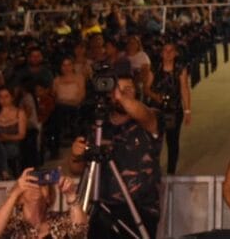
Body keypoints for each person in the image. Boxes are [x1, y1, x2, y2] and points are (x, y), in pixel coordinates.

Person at [69, 66, 163, 239]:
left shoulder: (148, 120)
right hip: (103, 207)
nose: (122, 94)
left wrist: (120, 95)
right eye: (117, 89)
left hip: (140, 209)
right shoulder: (98, 127)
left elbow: (144, 113)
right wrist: (76, 155)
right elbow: (77, 169)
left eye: (128, 89)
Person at [0, 167, 87, 238]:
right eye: (30, 183)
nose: (36, 186)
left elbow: (80, 232)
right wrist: (14, 195)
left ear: (49, 197)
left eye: (41, 183)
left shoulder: (59, 221)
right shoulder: (12, 225)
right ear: (20, 198)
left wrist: (71, 195)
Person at [143, 41, 191, 174]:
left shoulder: (180, 68)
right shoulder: (155, 67)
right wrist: (155, 96)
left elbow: (184, 89)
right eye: (165, 50)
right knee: (154, 139)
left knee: (172, 140)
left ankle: (171, 171)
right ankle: (153, 169)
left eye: (171, 51)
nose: (168, 54)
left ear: (176, 53)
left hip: (174, 109)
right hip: (156, 109)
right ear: (161, 53)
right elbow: (146, 88)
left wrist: (187, 110)